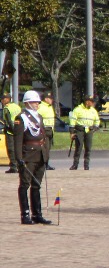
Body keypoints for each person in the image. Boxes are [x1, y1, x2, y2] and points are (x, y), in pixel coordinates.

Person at [15, 90, 53, 225]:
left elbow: (42, 136)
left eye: (37, 102)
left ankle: (37, 214)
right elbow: (18, 140)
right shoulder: (21, 118)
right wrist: (18, 158)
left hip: (40, 154)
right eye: (34, 102)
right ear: (27, 103)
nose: (37, 104)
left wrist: (46, 154)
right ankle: (25, 214)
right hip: (28, 155)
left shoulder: (39, 117)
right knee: (25, 184)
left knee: (36, 184)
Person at [68, 97, 101, 170]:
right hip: (80, 130)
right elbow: (72, 121)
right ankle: (75, 164)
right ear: (87, 102)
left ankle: (86, 165)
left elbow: (97, 121)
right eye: (91, 102)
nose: (93, 103)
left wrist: (94, 128)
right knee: (78, 148)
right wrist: (72, 132)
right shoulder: (77, 109)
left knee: (88, 148)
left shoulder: (93, 111)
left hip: (89, 131)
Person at [2, 93, 20, 174]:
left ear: (7, 99)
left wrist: (12, 130)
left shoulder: (6, 108)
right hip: (19, 130)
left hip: (11, 131)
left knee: (11, 149)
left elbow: (9, 121)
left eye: (3, 99)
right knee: (18, 149)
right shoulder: (16, 106)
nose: (2, 100)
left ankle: (13, 166)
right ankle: (20, 165)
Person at [38, 95, 57, 170]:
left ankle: (46, 163)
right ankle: (43, 164)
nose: (51, 100)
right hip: (44, 130)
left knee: (48, 148)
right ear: (46, 99)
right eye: (50, 99)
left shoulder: (50, 107)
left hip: (50, 130)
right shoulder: (41, 107)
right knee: (44, 148)